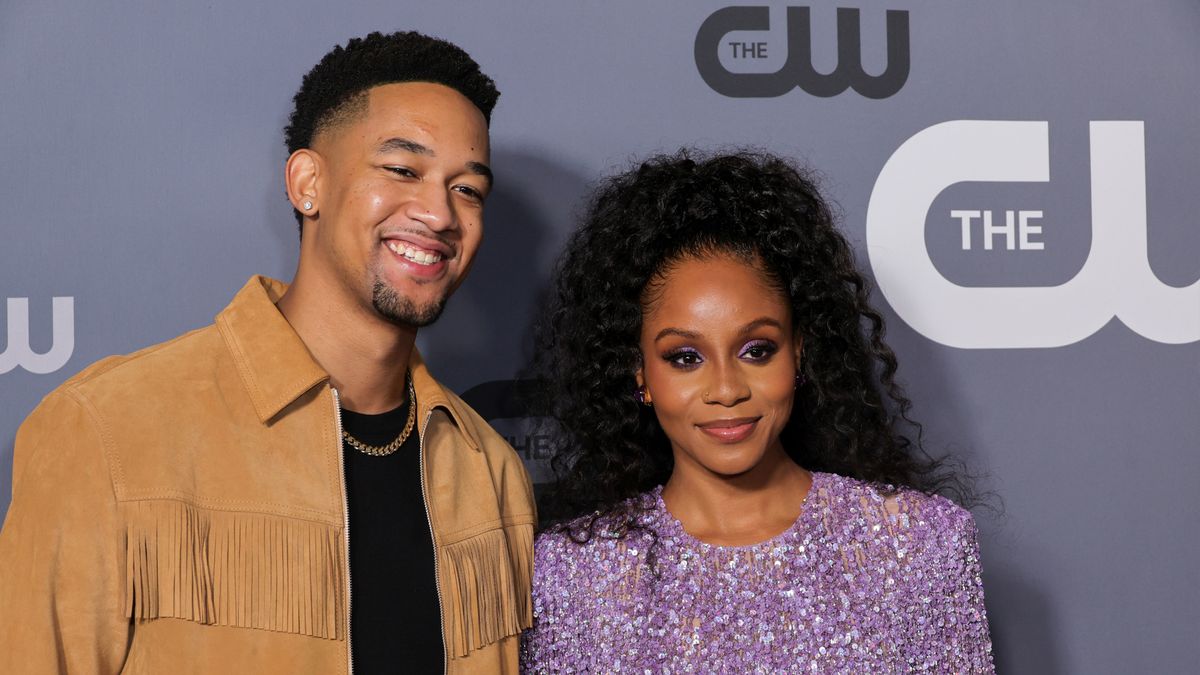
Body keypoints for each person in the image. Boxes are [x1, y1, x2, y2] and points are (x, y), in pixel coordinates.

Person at [0, 31, 534, 674]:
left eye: (468, 189)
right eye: (402, 169)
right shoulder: (109, 432)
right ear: (308, 182)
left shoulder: (491, 474)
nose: (440, 213)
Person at [521, 151, 994, 672]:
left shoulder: (920, 545)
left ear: (800, 353)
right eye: (685, 357)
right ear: (639, 374)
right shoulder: (575, 575)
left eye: (757, 349)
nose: (726, 389)